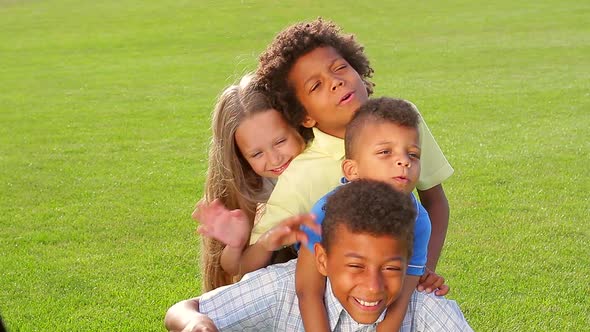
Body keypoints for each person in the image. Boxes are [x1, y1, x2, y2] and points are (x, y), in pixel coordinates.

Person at [250, 19, 455, 330]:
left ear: (357, 68)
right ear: (303, 114)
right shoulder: (303, 174)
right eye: (316, 85)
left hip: (395, 285)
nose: (335, 82)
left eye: (339, 68)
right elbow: (262, 253)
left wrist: (420, 268)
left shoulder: (403, 121)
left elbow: (434, 202)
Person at [165, 180, 458, 331]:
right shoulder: (283, 290)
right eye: (355, 265)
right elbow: (183, 311)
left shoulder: (426, 311)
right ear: (323, 260)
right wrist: (195, 324)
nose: (372, 285)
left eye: (391, 269)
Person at [298, 97, 457, 331]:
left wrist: (424, 274)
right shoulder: (325, 212)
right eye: (385, 152)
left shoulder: (419, 221)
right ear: (352, 169)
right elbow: (307, 291)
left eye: (413, 154)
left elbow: (402, 300)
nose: (403, 161)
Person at [196, 74, 306, 291]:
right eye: (256, 154)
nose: (275, 159)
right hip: (287, 276)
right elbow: (235, 268)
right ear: (242, 159)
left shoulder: (322, 160)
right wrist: (235, 244)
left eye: (280, 141)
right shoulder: (255, 187)